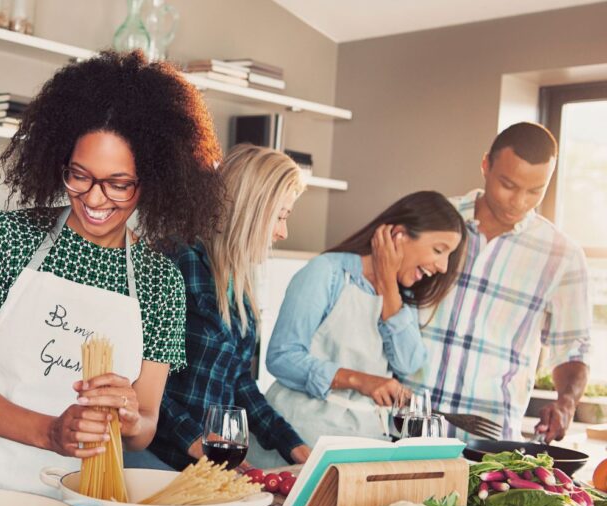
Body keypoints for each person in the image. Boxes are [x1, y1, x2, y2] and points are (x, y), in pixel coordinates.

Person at [0, 51, 225, 496]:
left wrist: (131, 416)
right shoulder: (6, 238)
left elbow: (146, 427)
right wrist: (50, 432)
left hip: (75, 501)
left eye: (118, 183)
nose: (95, 199)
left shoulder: (160, 283)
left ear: (152, 181)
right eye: (80, 176)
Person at [406, 123, 592, 441]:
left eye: (535, 191)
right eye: (508, 184)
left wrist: (566, 401)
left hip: (486, 444)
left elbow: (573, 348)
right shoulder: (431, 220)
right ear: (485, 165)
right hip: (402, 427)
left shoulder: (563, 256)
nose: (518, 201)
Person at [147, 145, 311, 472]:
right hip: (159, 459)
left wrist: (293, 445)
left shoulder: (239, 287)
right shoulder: (176, 262)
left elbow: (239, 382)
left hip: (204, 466)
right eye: (279, 216)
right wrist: (199, 443)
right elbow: (143, 384)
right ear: (250, 209)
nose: (283, 232)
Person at [265, 191, 466, 446]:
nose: (443, 267)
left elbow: (408, 363)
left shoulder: (401, 297)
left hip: (362, 441)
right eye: (439, 250)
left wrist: (387, 284)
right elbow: (281, 357)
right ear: (399, 235)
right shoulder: (327, 272)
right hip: (298, 439)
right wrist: (361, 381)